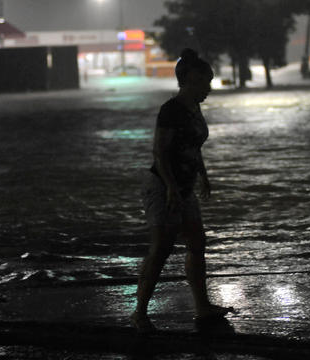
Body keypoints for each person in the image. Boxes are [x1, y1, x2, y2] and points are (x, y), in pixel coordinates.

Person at [131, 48, 233, 333]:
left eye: (210, 82)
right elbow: (160, 152)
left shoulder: (193, 108)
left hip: (184, 186)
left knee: (197, 242)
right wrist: (172, 189)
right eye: (204, 82)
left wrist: (203, 175)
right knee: (161, 248)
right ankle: (139, 312)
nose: (208, 89)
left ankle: (202, 307)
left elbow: (192, 147)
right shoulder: (171, 109)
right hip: (163, 186)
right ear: (188, 81)